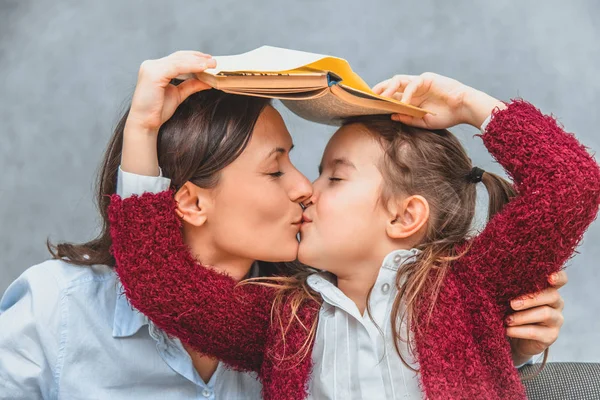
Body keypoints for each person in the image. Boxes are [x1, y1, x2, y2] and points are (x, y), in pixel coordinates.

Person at [108, 69, 599, 399]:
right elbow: (160, 282)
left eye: (333, 177)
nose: (306, 191)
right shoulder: (285, 320)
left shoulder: (469, 285)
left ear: (405, 217)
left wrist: (470, 105)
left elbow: (572, 185)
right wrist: (144, 127)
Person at [0, 51, 316, 399]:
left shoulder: (306, 324)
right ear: (194, 203)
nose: (305, 187)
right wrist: (143, 128)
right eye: (275, 171)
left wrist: (386, 142)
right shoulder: (57, 308)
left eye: (293, 160)